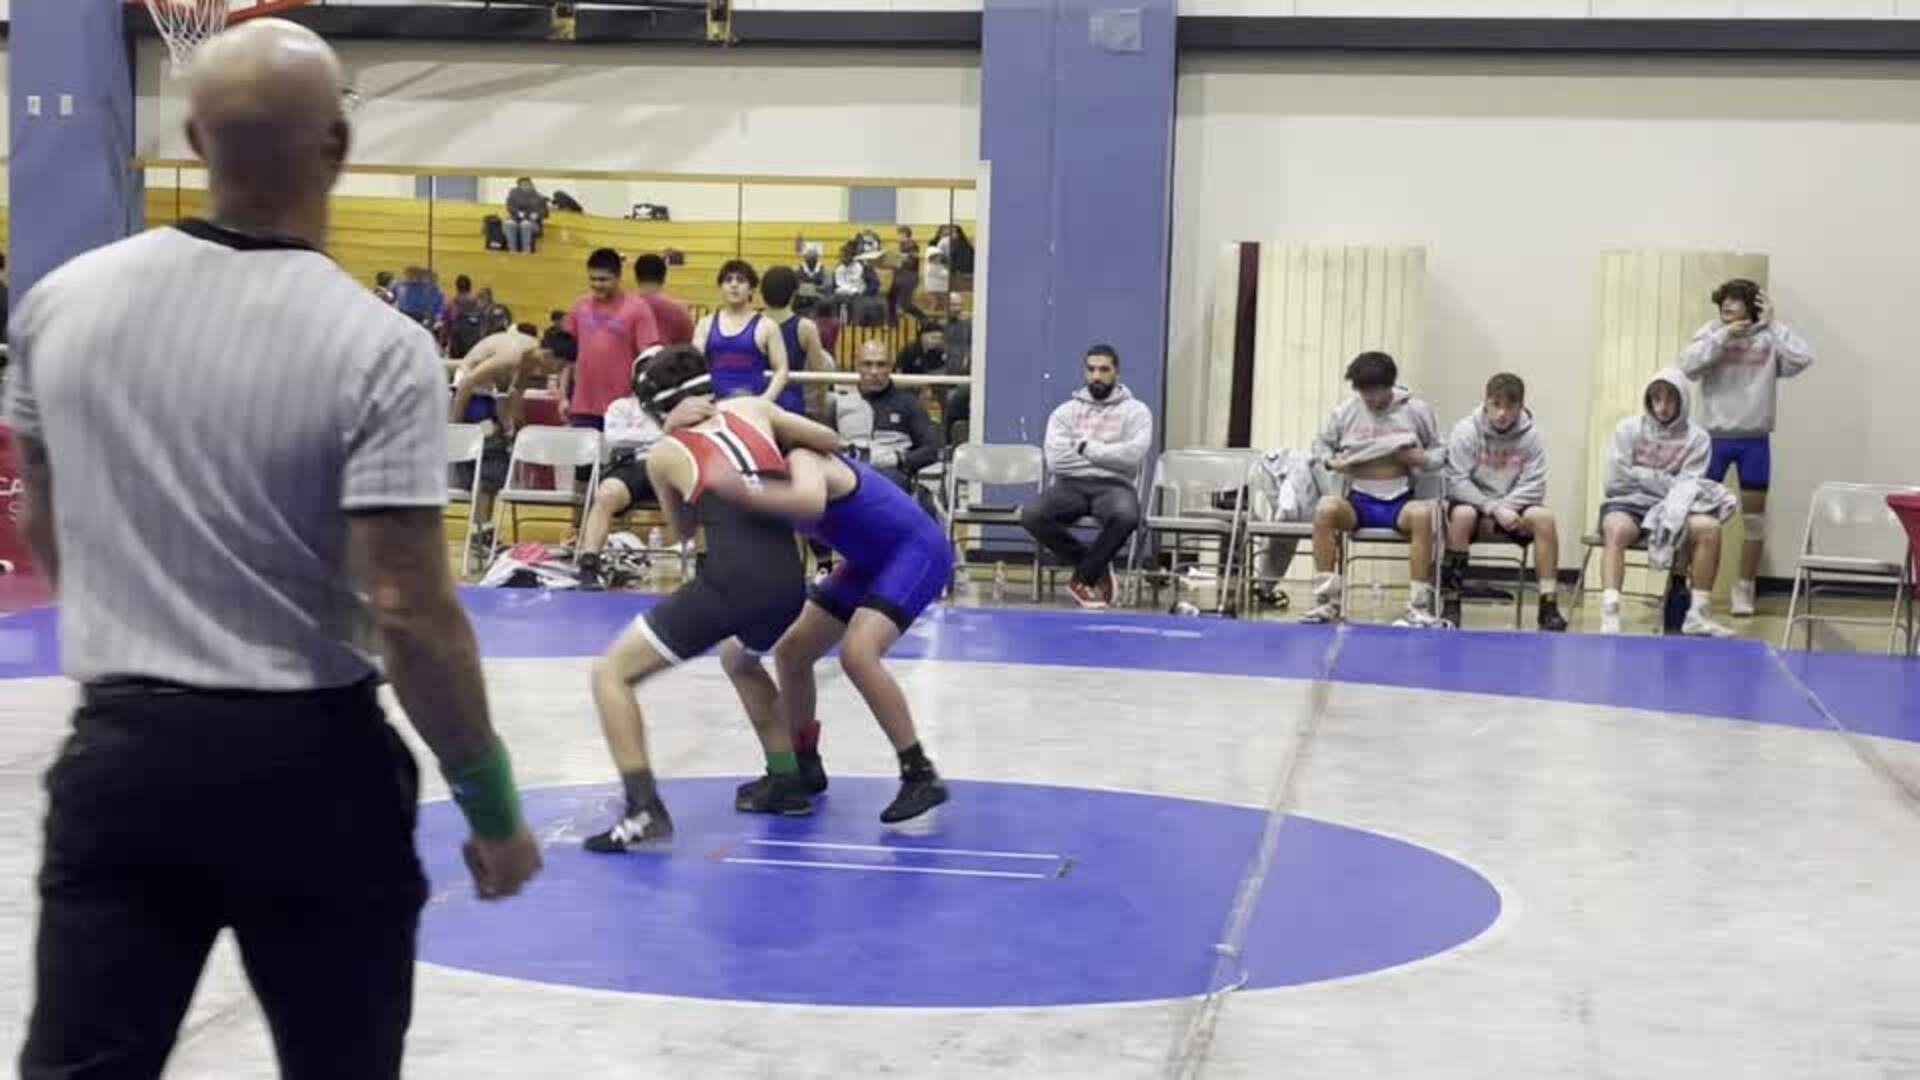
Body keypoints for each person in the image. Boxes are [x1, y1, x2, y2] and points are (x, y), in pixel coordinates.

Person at [6, 21, 541, 1078]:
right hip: (311, 773)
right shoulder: (378, 347)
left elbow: (43, 516)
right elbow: (408, 608)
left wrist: (130, 636)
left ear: (197, 140)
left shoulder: (60, 305)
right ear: (338, 146)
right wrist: (493, 809)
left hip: (124, 763)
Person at [583, 347, 828, 853]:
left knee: (610, 675)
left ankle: (643, 809)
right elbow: (828, 440)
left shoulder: (667, 452)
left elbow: (684, 534)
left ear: (653, 408)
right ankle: (784, 779)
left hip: (734, 581)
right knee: (739, 658)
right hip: (788, 579)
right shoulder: (753, 408)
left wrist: (670, 441)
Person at [667, 398, 953, 824]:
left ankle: (919, 773)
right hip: (868, 561)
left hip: (916, 552)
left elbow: (807, 502)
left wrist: (735, 488)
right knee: (792, 652)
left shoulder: (803, 458)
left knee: (859, 654)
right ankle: (803, 764)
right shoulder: (763, 472)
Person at [1679, 278, 1815, 617]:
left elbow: (1802, 358)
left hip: (1754, 440)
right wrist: (1725, 335)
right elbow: (1689, 366)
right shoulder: (1711, 331)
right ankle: (1692, 591)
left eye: (1736, 300)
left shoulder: (1769, 336)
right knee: (1698, 519)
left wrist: (1774, 324)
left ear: (1752, 305)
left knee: (1754, 522)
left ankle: (1744, 589)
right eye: (1724, 300)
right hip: (1713, 438)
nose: (1727, 306)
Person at [1302, 351, 1445, 627]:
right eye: (1363, 391)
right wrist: (1330, 461)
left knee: (1423, 515)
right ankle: (1326, 601)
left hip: (1399, 500)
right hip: (1357, 500)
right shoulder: (1346, 411)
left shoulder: (1416, 410)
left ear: (1389, 385)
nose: (1370, 398)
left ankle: (1417, 605)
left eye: (1375, 391)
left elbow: (1440, 452)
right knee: (1324, 509)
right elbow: (1320, 445)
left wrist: (1422, 459)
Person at [1597, 370, 1733, 638]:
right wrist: (1664, 481)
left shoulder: (1698, 438)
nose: (1662, 406)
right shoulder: (1628, 429)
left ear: (1682, 401)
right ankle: (1610, 612)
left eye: (1670, 398)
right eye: (1656, 398)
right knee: (1615, 528)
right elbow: (1614, 482)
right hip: (1628, 503)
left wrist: (1640, 474)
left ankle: (1698, 614)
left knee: (1710, 527)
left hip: (1673, 507)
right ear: (1648, 400)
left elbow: (1687, 488)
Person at [1020, 345, 1152, 609]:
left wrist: (1085, 448)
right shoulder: (1065, 412)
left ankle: (1082, 578)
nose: (1097, 376)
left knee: (1127, 516)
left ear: (1116, 372)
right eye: (1091, 369)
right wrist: (1109, 456)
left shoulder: (1136, 411)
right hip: (1070, 484)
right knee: (1031, 514)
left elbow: (1133, 456)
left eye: (1104, 370)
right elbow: (1057, 459)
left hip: (1115, 485)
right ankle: (1094, 567)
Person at [1442, 373, 1568, 632]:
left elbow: (1534, 483)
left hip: (1515, 506)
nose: (1502, 413)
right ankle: (1452, 601)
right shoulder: (1466, 430)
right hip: (1475, 503)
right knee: (1461, 515)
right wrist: (1494, 509)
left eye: (1509, 407)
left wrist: (1507, 507)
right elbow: (1456, 481)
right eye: (1495, 404)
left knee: (1545, 520)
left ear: (1520, 407)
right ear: (1485, 403)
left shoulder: (1531, 435)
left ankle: (1548, 604)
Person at [449, 325, 576, 539]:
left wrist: (518, 427)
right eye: (558, 366)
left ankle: (484, 526)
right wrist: (455, 427)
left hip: (489, 395)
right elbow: (468, 382)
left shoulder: (530, 356)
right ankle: (479, 528)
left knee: (498, 458)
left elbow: (517, 391)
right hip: (470, 393)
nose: (555, 373)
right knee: (490, 457)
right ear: (548, 355)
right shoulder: (512, 355)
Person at [577, 351, 668, 591]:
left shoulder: (678, 407)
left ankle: (704, 565)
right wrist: (659, 435)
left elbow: (684, 437)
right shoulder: (620, 407)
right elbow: (615, 439)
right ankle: (589, 565)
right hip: (632, 467)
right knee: (606, 494)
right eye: (644, 371)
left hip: (670, 465)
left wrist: (642, 438)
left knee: (704, 491)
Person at [561, 247, 661, 433]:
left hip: (622, 406)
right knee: (583, 461)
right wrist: (563, 397)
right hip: (583, 406)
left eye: (603, 279)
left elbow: (649, 360)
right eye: (592, 279)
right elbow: (568, 358)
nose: (597, 284)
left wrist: (638, 398)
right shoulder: (579, 306)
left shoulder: (638, 309)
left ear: (618, 277)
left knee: (617, 462)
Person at [830, 340, 941, 493]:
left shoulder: (908, 404)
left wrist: (899, 459)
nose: (874, 371)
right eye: (867, 364)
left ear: (890, 367)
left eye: (881, 365)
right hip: (847, 473)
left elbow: (932, 449)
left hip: (891, 477)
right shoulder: (840, 403)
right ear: (857, 366)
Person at [694, 259, 796, 411]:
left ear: (751, 290)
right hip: (713, 406)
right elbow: (693, 367)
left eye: (740, 280)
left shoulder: (767, 326)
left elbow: (781, 370)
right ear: (721, 288)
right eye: (728, 280)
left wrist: (764, 402)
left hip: (753, 405)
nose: (734, 285)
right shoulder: (705, 324)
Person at [758, 265, 831, 417]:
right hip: (791, 407)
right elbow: (820, 376)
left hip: (756, 402)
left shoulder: (751, 323)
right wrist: (821, 408)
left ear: (762, 292)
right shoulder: (805, 328)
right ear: (794, 293)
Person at [633, 252, 696, 347]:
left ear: (636, 277)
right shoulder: (680, 310)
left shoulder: (624, 308)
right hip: (669, 360)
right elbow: (688, 346)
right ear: (664, 278)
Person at [504, 176, 547, 253]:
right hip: (516, 220)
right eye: (523, 184)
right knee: (509, 223)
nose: (526, 186)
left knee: (525, 224)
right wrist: (518, 213)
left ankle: (526, 251)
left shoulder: (538, 196)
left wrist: (537, 214)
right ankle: (512, 250)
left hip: (533, 223)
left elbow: (544, 212)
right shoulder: (513, 194)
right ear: (519, 186)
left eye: (528, 184)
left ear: (531, 184)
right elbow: (510, 207)